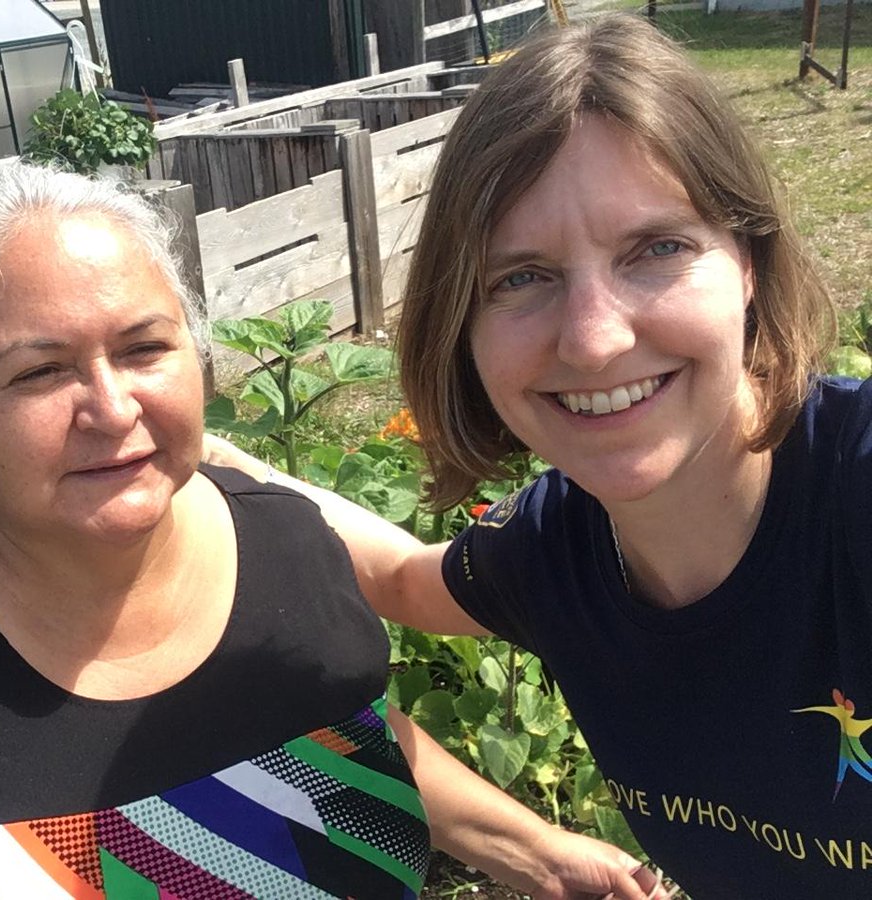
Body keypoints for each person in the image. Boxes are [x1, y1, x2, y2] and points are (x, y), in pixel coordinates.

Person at [0, 164, 665, 899]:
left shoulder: (289, 549)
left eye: (145, 349)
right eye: (37, 371)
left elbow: (347, 741)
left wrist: (533, 849)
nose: (109, 406)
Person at [208, 14, 871, 898]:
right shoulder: (561, 550)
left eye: (657, 249)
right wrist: (200, 457)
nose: (594, 341)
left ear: (748, 262)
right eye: (521, 277)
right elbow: (406, 577)